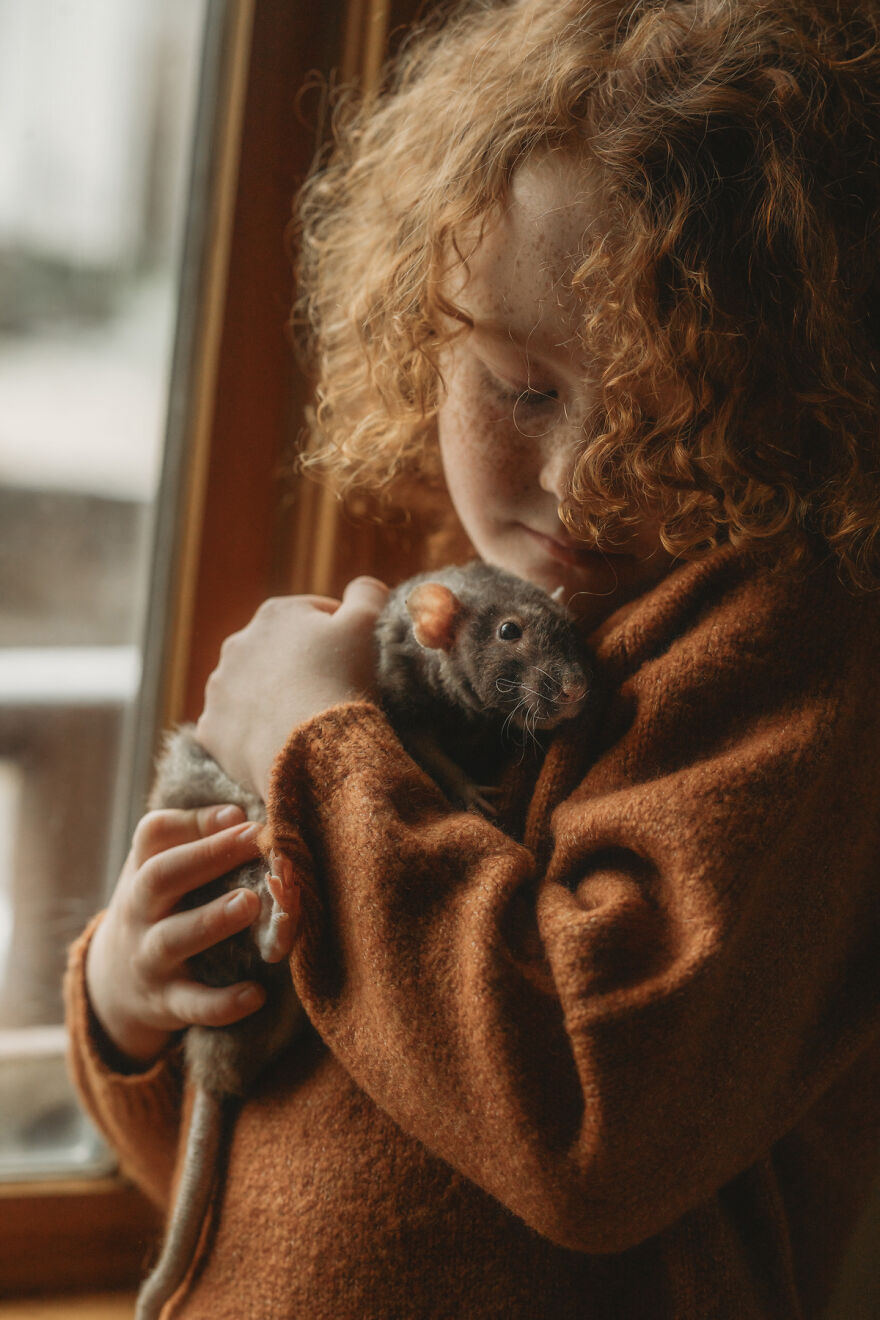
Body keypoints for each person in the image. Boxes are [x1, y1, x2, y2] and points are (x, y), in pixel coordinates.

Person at [66, 1, 880, 1315]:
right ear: (424, 340)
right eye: (520, 386)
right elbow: (263, 1165)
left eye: (675, 411)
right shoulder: (443, 641)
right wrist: (133, 1004)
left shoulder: (798, 663)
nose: (581, 481)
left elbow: (588, 1127)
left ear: (813, 389)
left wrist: (318, 749)